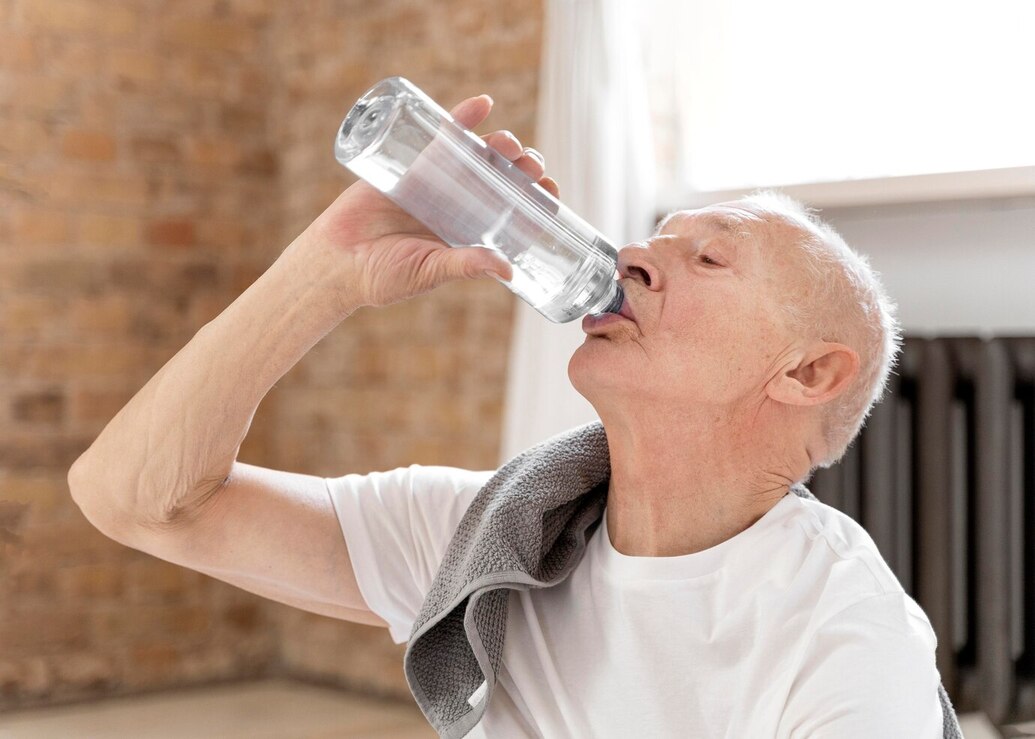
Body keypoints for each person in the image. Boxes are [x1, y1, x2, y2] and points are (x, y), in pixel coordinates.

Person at [69, 93, 943, 737]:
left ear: (807, 372)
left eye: (709, 256)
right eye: (652, 234)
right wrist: (327, 270)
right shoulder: (490, 542)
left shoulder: (841, 636)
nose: (632, 255)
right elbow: (138, 498)